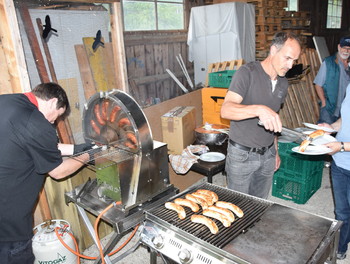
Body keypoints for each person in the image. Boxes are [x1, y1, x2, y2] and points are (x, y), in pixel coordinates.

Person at [0, 82, 93, 264]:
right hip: (9, 224)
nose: (53, 122)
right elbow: (57, 172)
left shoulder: (8, 102)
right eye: (56, 117)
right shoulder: (37, 122)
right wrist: (88, 156)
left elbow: (36, 143)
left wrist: (77, 149)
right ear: (52, 102)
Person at [221, 32, 301, 199]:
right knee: (237, 207)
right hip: (242, 155)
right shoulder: (246, 73)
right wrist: (258, 109)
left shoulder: (283, 82)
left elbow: (274, 119)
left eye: (294, 60)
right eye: (287, 58)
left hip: (268, 154)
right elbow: (226, 110)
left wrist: (275, 151)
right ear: (273, 50)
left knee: (259, 205)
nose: (291, 65)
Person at [319, 82, 350, 260]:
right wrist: (331, 127)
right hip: (339, 162)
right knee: (341, 212)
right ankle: (341, 244)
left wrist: (342, 146)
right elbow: (345, 119)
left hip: (342, 151)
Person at [314, 36, 350, 124]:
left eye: (349, 49)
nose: (346, 51)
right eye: (344, 48)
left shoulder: (349, 66)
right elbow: (318, 84)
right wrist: (323, 102)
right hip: (329, 109)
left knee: (340, 136)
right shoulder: (328, 63)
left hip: (344, 111)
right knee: (324, 134)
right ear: (339, 47)